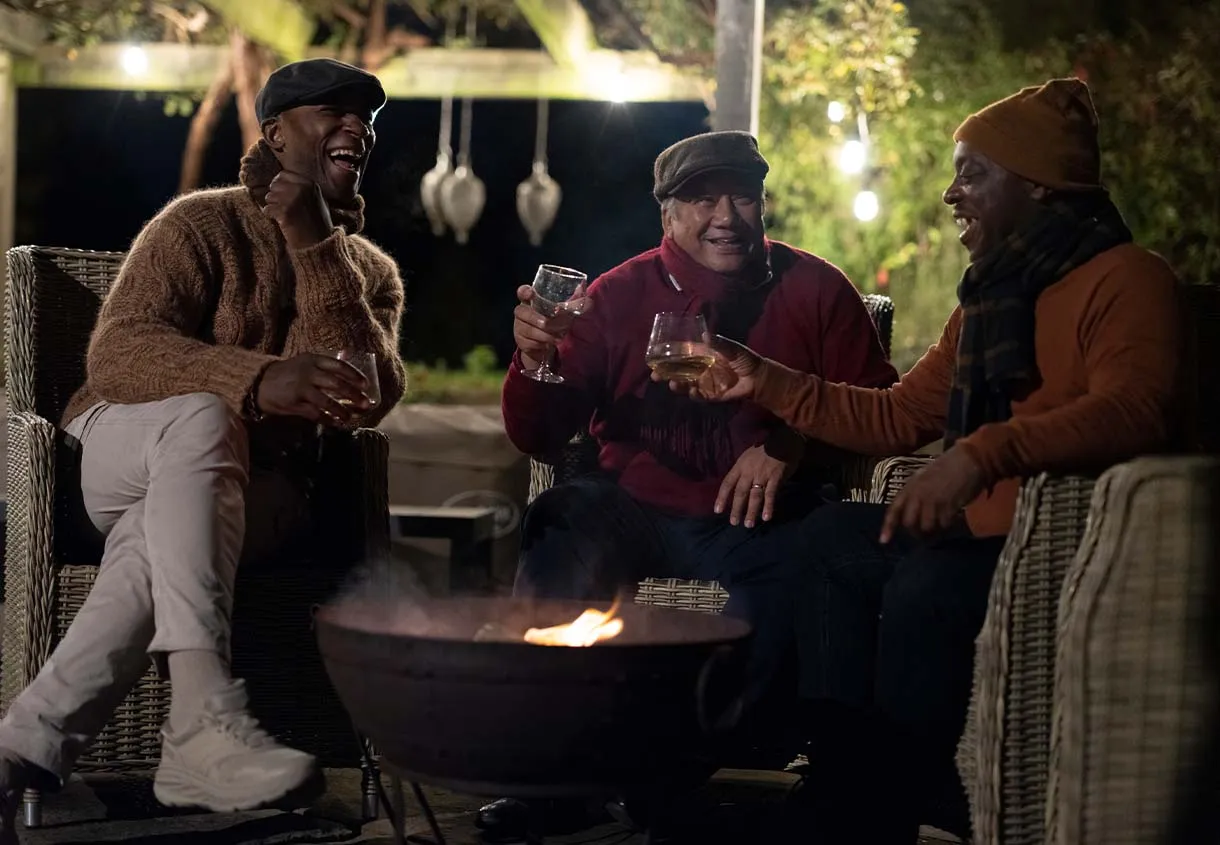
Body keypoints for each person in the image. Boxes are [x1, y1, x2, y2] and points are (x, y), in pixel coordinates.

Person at [659, 79, 1183, 841]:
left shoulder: (1129, 277)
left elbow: (1137, 409)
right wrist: (764, 377)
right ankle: (841, 775)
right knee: (829, 539)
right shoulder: (990, 299)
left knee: (924, 583)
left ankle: (893, 798)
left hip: (1075, 543)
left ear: (1037, 183)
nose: (951, 192)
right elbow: (899, 416)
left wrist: (982, 452)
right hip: (984, 532)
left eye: (973, 173)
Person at [0, 58, 407, 842]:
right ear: (276, 134)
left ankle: (26, 743)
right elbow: (118, 354)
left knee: (159, 535)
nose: (358, 126)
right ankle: (198, 721)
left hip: (251, 492)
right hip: (113, 453)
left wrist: (314, 245)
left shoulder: (369, 274)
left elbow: (366, 394)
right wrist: (255, 380)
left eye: (367, 117)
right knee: (204, 416)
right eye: (333, 110)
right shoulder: (199, 223)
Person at [481, 130, 898, 839]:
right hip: (634, 510)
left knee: (792, 578)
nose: (725, 216)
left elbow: (882, 408)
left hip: (755, 522)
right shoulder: (616, 295)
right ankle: (550, 776)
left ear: (763, 203)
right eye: (702, 198)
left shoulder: (817, 289)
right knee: (561, 516)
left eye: (742, 195)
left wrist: (792, 443)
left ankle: (668, 772)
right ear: (667, 214)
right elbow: (539, 436)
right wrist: (534, 360)